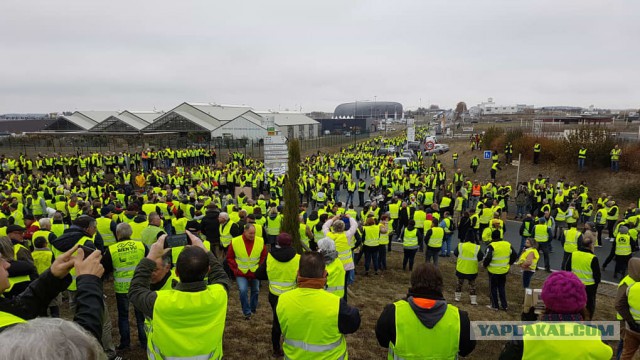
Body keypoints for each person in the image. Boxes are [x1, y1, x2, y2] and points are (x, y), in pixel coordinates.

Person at [129, 231, 230, 359]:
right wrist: (204, 249)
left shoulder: (159, 301)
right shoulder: (219, 295)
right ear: (207, 271)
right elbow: (220, 275)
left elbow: (135, 290)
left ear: (176, 272)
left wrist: (152, 254)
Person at [499, 271, 612, 359]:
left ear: (546, 301)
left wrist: (528, 322)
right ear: (582, 301)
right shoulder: (598, 338)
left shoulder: (523, 336)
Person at [376, 263, 476, 359]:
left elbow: (383, 341)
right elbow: (467, 349)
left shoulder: (393, 312)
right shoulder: (459, 318)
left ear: (413, 283)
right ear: (440, 285)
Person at [277, 251, 361, 359]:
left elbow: (278, 327)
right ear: (325, 274)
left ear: (298, 273)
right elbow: (353, 324)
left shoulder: (283, 300)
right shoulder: (337, 304)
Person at [102, 222, 148, 350]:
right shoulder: (141, 246)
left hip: (122, 289)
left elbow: (105, 268)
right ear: (131, 232)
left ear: (117, 234)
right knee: (141, 316)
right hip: (139, 286)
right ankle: (144, 342)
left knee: (123, 316)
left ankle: (125, 343)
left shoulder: (112, 249)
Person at [255, 233, 300, 358]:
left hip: (274, 295)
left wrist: (271, 275)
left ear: (277, 243)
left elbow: (259, 274)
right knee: (291, 321)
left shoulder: (270, 257)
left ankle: (276, 349)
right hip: (292, 295)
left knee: (277, 322)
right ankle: (291, 345)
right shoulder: (298, 258)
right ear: (291, 243)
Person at [227, 224, 267, 319]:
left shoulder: (260, 241)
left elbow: (264, 256)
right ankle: (247, 312)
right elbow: (230, 257)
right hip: (241, 272)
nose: (252, 235)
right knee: (243, 290)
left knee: (256, 290)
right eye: (250, 233)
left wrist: (259, 267)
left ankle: (253, 308)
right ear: (244, 232)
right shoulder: (235, 241)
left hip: (255, 271)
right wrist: (236, 269)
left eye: (254, 233)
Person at [563, 236, 600, 320]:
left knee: (573, 301)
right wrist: (596, 284)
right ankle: (588, 320)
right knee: (589, 304)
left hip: (574, 284)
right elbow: (597, 274)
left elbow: (567, 268)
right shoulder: (593, 258)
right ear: (591, 246)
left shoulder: (574, 254)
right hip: (589, 286)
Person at [483, 230, 517, 311]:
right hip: (504, 270)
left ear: (492, 237)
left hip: (493, 271)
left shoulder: (491, 246)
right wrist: (509, 263)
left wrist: (485, 265)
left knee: (493, 288)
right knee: (502, 287)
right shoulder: (507, 244)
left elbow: (488, 257)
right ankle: (504, 305)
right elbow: (514, 255)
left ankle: (495, 305)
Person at [614, 258, 640, 359]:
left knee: (627, 347)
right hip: (624, 319)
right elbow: (618, 304)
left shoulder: (635, 281)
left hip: (630, 322)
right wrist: (630, 322)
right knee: (624, 343)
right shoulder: (627, 283)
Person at [453, 231, 482, 305]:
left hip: (461, 268)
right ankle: (473, 300)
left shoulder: (460, 245)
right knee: (472, 285)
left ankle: (457, 297)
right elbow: (480, 257)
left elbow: (456, 253)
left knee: (459, 284)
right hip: (472, 269)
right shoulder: (477, 247)